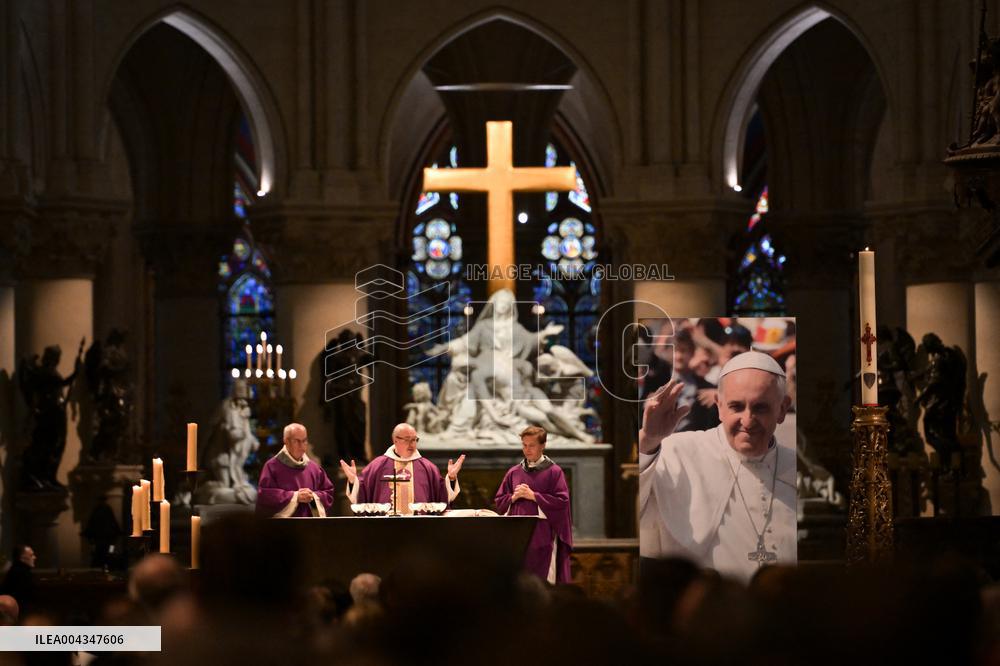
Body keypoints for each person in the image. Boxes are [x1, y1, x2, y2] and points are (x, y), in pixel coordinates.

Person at [638, 351, 796, 582]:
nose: (748, 420)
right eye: (736, 406)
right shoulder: (678, 452)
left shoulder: (794, 464)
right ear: (719, 406)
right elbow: (629, 514)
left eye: (760, 408)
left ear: (782, 409)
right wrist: (648, 441)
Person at [495, 426, 573, 583]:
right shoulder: (514, 472)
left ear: (542, 445)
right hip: (517, 537)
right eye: (524, 445)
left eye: (532, 445)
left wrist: (534, 496)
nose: (527, 449)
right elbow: (499, 501)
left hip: (542, 536)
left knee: (543, 584)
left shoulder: (554, 472)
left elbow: (562, 502)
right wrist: (513, 497)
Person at [340, 423, 464, 514]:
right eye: (407, 440)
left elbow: (442, 498)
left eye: (414, 440)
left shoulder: (428, 467)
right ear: (395, 441)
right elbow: (361, 497)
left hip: (421, 530)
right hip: (383, 529)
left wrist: (452, 478)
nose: (412, 444)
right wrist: (352, 481)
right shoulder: (377, 466)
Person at [256, 423, 335, 517]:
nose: (302, 445)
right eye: (297, 441)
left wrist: (313, 496)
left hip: (311, 527)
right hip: (282, 528)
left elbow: (328, 493)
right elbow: (265, 496)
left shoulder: (314, 469)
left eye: (304, 441)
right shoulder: (272, 466)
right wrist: (295, 496)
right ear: (286, 441)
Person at [0, 544, 36, 610]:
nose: (34, 557)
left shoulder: (15, 570)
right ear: (22, 558)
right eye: (31, 555)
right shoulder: (22, 574)